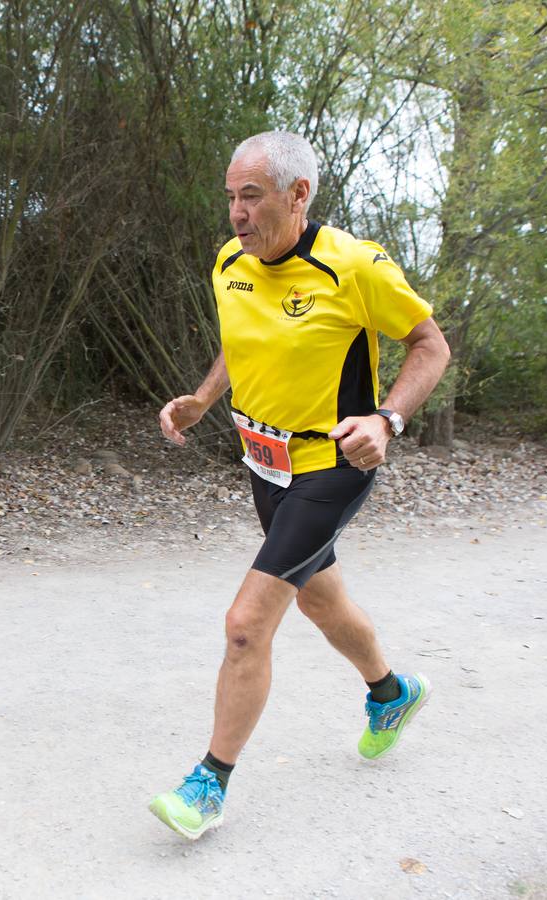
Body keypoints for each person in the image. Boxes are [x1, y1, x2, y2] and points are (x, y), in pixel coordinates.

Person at [148, 131, 452, 840]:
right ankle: (390, 693)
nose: (236, 214)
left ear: (298, 194)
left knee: (247, 625)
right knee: (321, 599)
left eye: (250, 196)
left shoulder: (354, 268)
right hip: (264, 466)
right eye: (230, 197)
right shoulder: (231, 263)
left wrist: (389, 418)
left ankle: (207, 785)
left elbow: (431, 346)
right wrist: (203, 396)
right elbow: (238, 334)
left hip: (333, 468)